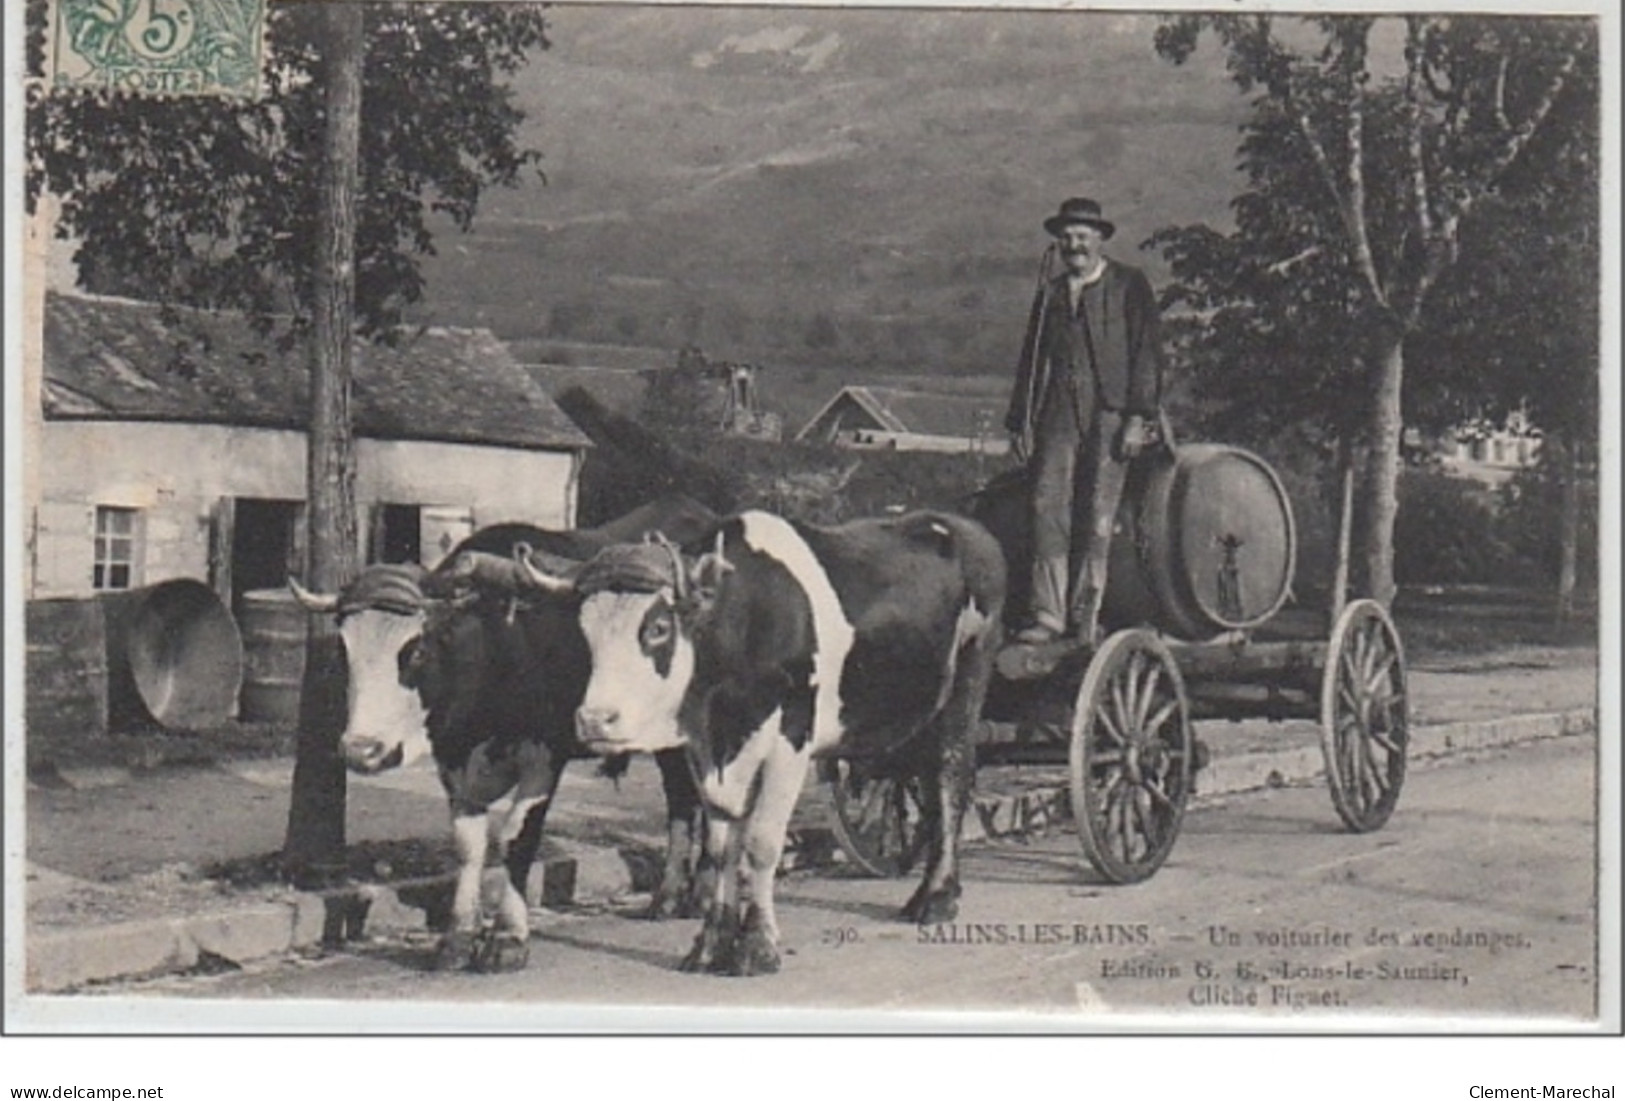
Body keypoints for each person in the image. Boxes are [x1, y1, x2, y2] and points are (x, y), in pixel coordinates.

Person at [1004, 197, 1165, 645]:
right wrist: (1020, 421)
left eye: (1083, 236)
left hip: (1111, 414)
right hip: (1059, 412)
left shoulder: (1129, 286)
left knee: (1098, 513)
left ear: (1100, 240)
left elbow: (1147, 355)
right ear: (1058, 243)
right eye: (1067, 237)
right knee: (1046, 507)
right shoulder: (1052, 292)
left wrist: (1139, 416)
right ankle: (1048, 615)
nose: (1074, 244)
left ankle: (1085, 615)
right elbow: (1031, 362)